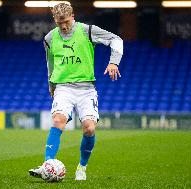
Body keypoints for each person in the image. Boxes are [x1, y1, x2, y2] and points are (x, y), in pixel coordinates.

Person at [29, 3, 123, 181]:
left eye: (65, 21)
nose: (63, 26)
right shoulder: (49, 39)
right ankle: (47, 164)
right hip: (63, 87)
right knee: (58, 120)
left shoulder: (87, 31)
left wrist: (114, 62)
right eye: (58, 23)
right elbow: (50, 62)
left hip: (86, 88)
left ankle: (82, 166)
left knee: (89, 128)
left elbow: (116, 40)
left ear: (72, 16)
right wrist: (51, 83)